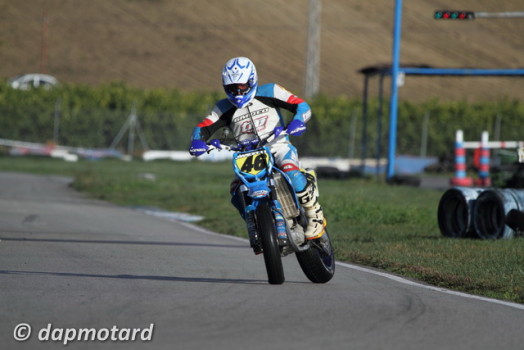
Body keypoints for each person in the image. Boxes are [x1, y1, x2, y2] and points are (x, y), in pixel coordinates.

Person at [189, 56, 325, 240]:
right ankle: (256, 226)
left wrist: (298, 121)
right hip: (246, 154)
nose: (237, 93)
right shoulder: (222, 107)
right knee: (236, 190)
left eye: (242, 87)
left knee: (290, 171)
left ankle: (314, 214)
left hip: (278, 145)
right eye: (231, 88)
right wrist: (197, 141)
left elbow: (300, 105)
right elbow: (204, 126)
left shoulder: (271, 91)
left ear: (252, 80)